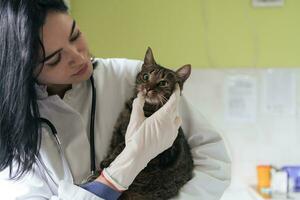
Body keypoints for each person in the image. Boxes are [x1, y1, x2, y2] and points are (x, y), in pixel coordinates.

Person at [0, 0, 231, 199]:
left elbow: (213, 160)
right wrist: (125, 166)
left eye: (75, 35)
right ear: (24, 70)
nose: (78, 57)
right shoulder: (11, 131)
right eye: (54, 60)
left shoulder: (131, 76)